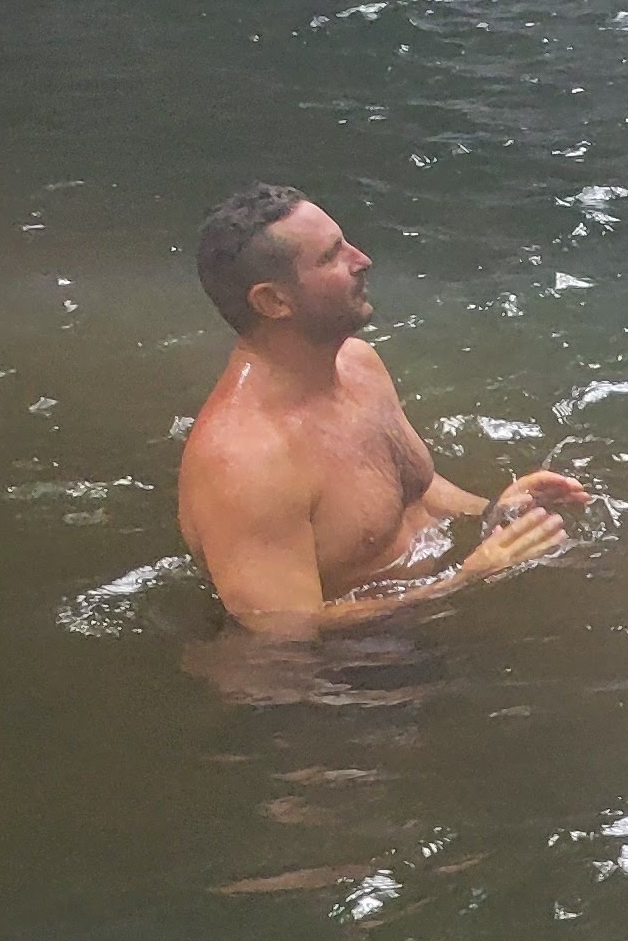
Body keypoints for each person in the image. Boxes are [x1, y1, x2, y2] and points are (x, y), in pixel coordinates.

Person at [174, 184, 588, 636]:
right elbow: (283, 631)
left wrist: (495, 514)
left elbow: (418, 490)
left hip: (422, 622)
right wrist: (466, 578)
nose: (362, 259)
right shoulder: (245, 463)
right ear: (274, 301)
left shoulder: (358, 365)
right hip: (340, 681)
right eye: (331, 256)